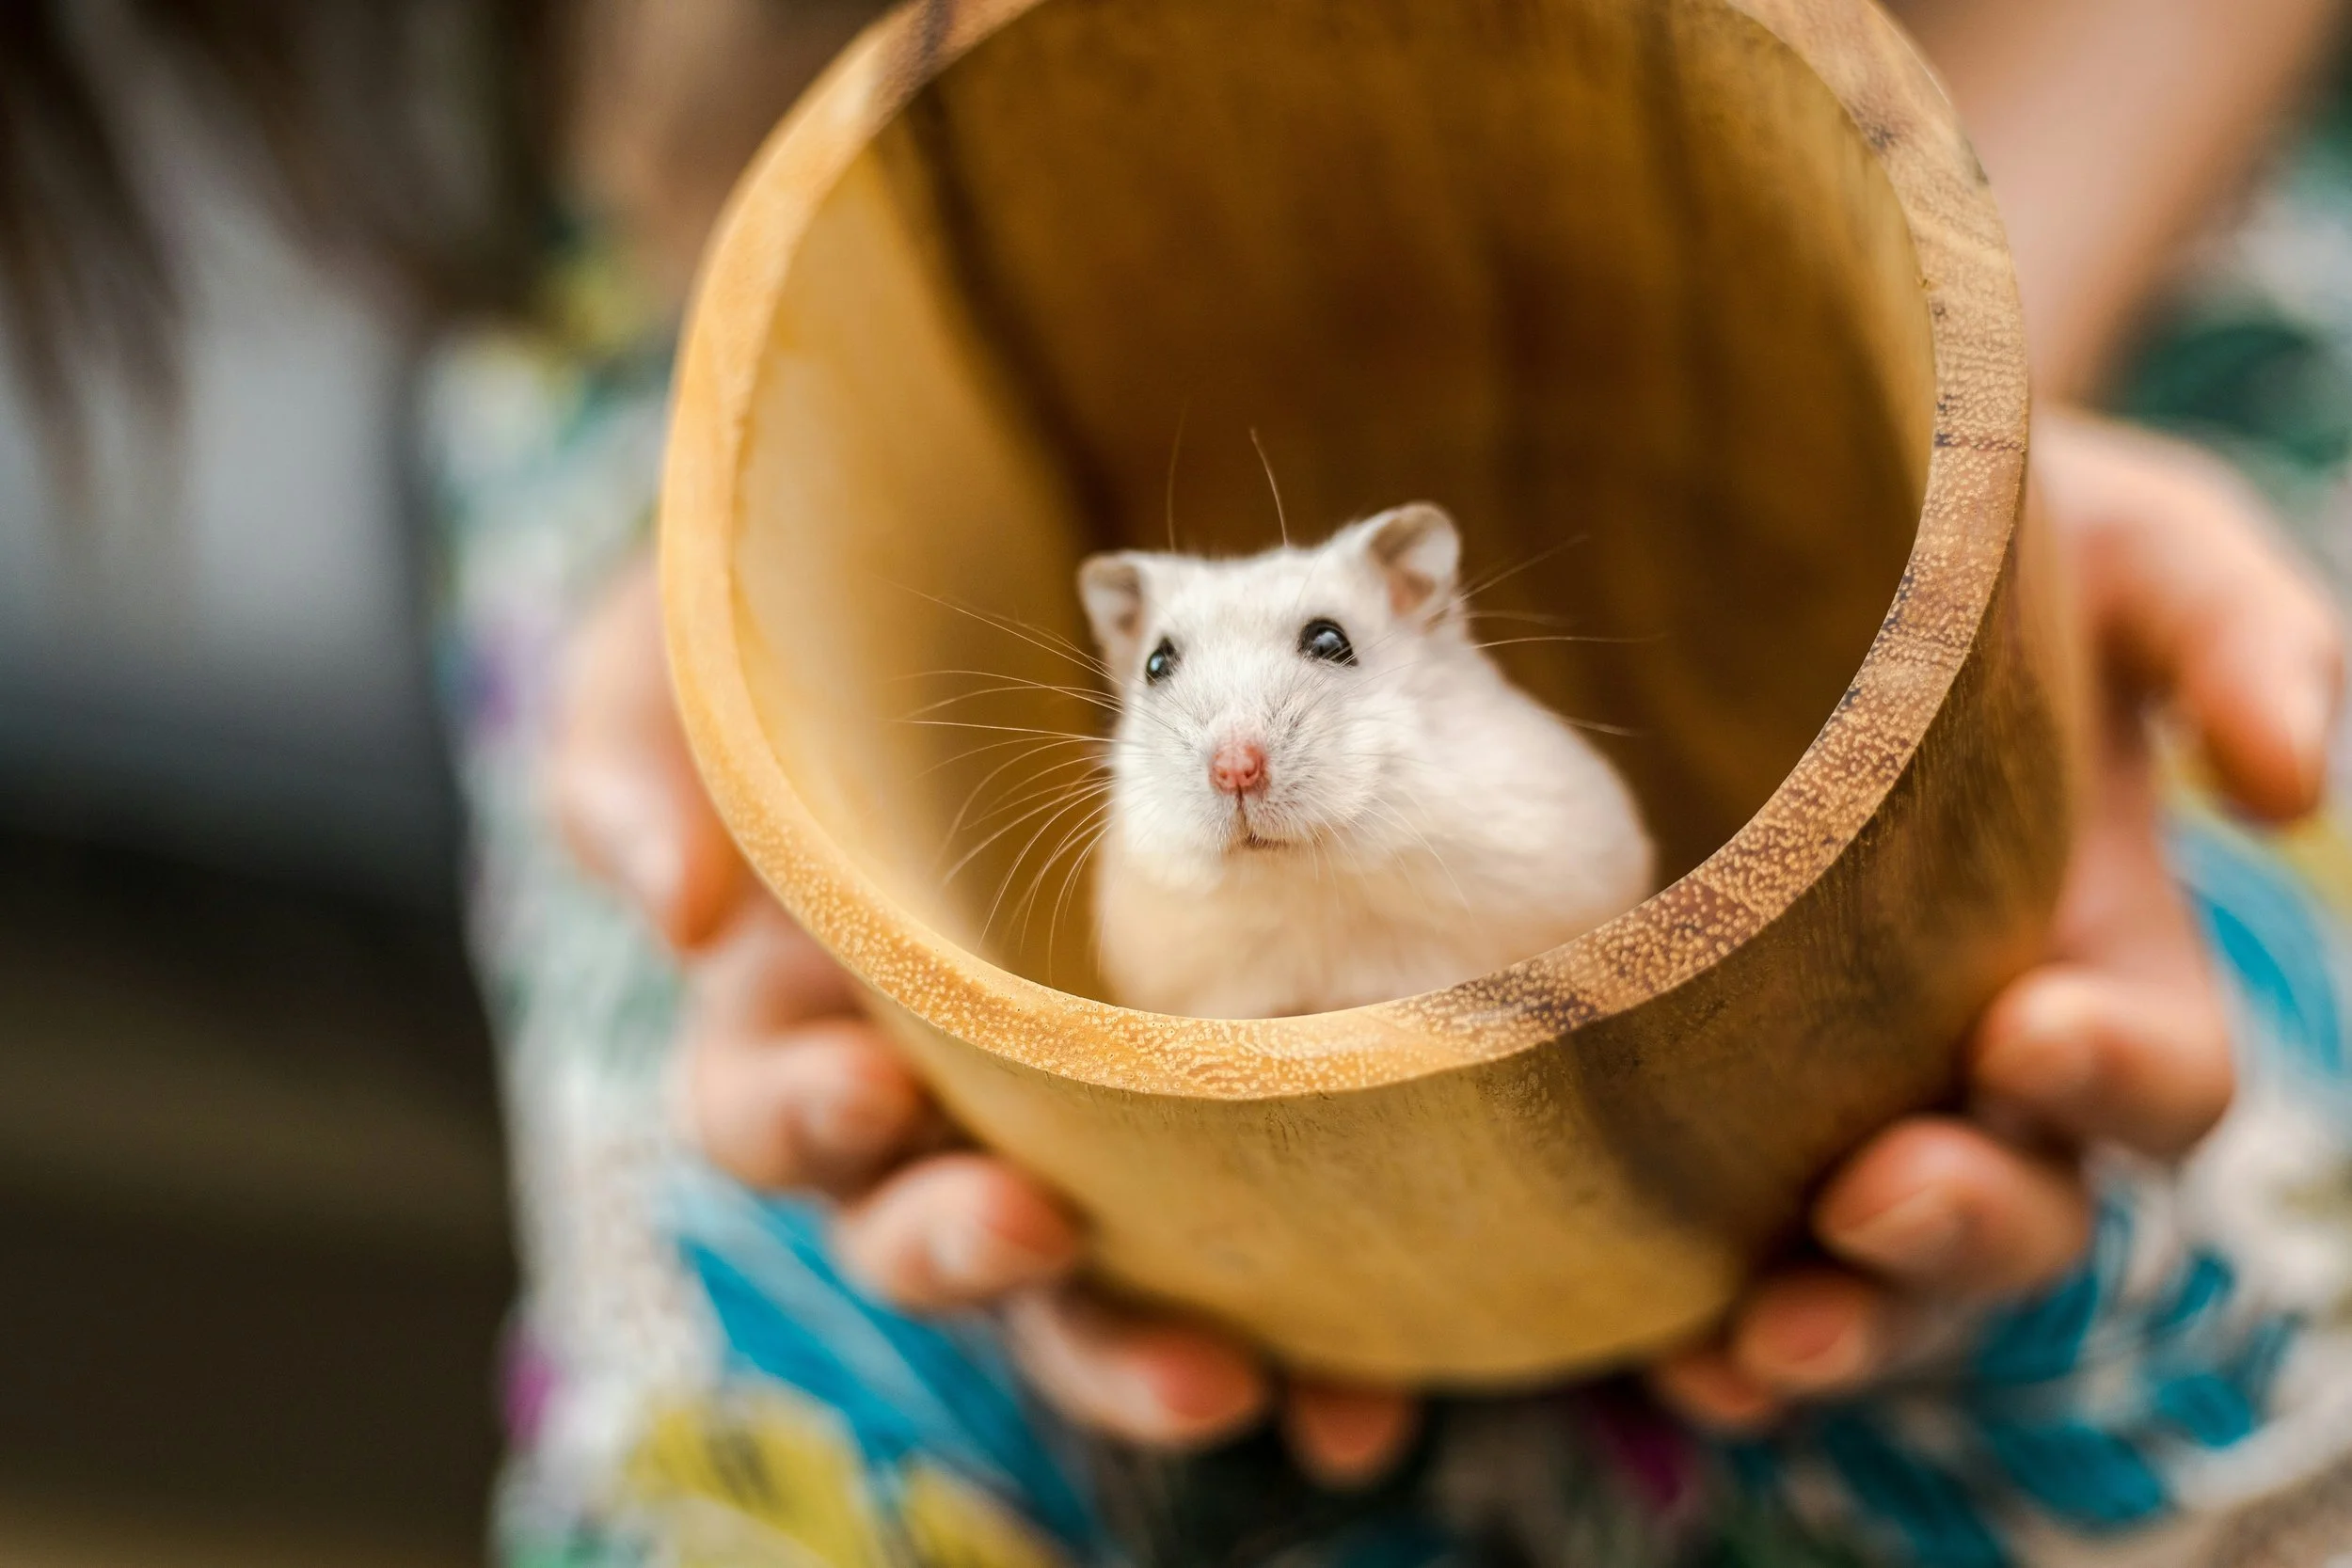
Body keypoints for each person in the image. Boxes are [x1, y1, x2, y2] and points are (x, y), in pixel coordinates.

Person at [6, 0, 2348, 1561]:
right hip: (743, 178)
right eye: (1173, 692)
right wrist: (774, 532)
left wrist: (1955, 431)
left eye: (1313, 656)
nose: (1234, 739)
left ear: (1412, 606)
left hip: (2027, 106)